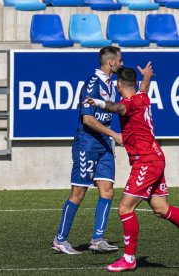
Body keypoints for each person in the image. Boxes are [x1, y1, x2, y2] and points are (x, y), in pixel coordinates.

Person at [84, 64, 179, 272]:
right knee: (161, 209)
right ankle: (129, 258)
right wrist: (146, 77)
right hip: (155, 158)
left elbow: (115, 108)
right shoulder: (142, 97)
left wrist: (97, 102)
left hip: (146, 161)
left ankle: (129, 258)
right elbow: (143, 88)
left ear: (119, 86)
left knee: (125, 208)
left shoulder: (127, 103)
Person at [52, 46, 124, 255]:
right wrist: (113, 134)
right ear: (111, 62)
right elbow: (88, 119)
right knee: (78, 192)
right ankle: (60, 239)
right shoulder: (92, 84)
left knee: (107, 191)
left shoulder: (112, 85)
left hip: (104, 147)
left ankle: (97, 239)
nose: (121, 63)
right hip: (87, 145)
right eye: (119, 60)